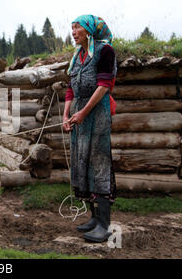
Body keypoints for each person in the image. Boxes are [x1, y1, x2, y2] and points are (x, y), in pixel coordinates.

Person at [62, 15, 117, 243]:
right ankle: (93, 218)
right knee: (82, 163)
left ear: (89, 31)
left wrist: (83, 113)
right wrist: (66, 114)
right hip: (79, 117)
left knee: (99, 164)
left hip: (98, 114)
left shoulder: (105, 52)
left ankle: (104, 224)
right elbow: (70, 89)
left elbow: (104, 85)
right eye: (72, 28)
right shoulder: (78, 57)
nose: (73, 32)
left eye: (78, 28)